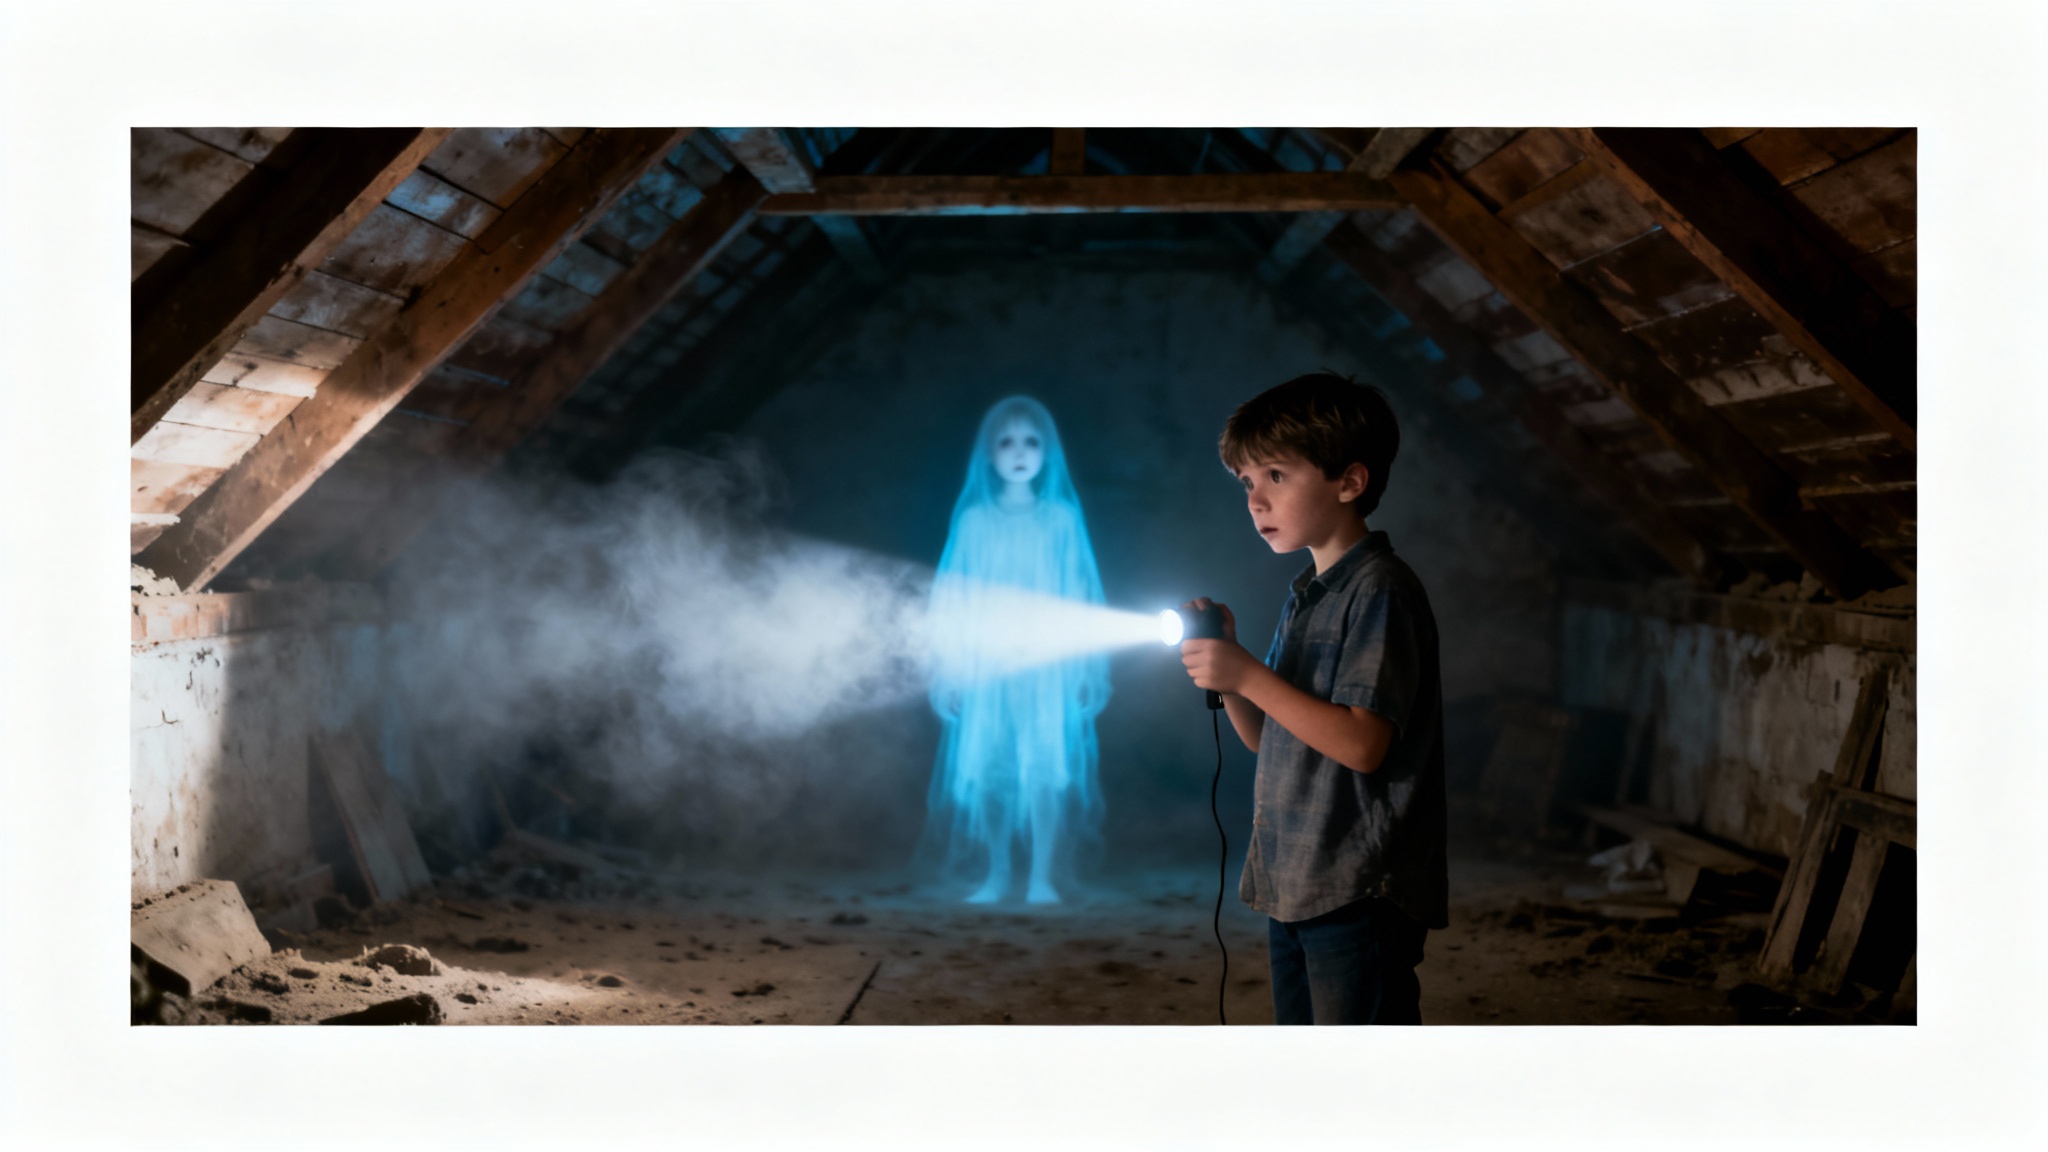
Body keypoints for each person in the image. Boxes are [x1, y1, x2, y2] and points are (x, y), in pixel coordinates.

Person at [1176, 373, 1448, 1024]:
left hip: (1359, 889)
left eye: (1275, 476)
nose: (1255, 500)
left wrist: (1247, 675)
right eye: (1246, 483)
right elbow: (1266, 738)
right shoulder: (1307, 596)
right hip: (1296, 882)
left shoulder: (1380, 591)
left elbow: (1361, 744)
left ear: (1349, 482)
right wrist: (1233, 671)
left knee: (1359, 1088)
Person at [924, 396, 1110, 904]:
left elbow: (1079, 593)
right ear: (988, 454)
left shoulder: (1061, 520)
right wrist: (951, 668)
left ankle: (1042, 878)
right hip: (988, 666)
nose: (1019, 452)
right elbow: (954, 597)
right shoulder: (975, 522)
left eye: (1031, 441)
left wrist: (1085, 666)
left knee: (1043, 768)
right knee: (991, 767)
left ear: (1048, 451)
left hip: (1046, 666)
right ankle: (997, 873)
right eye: (1006, 441)